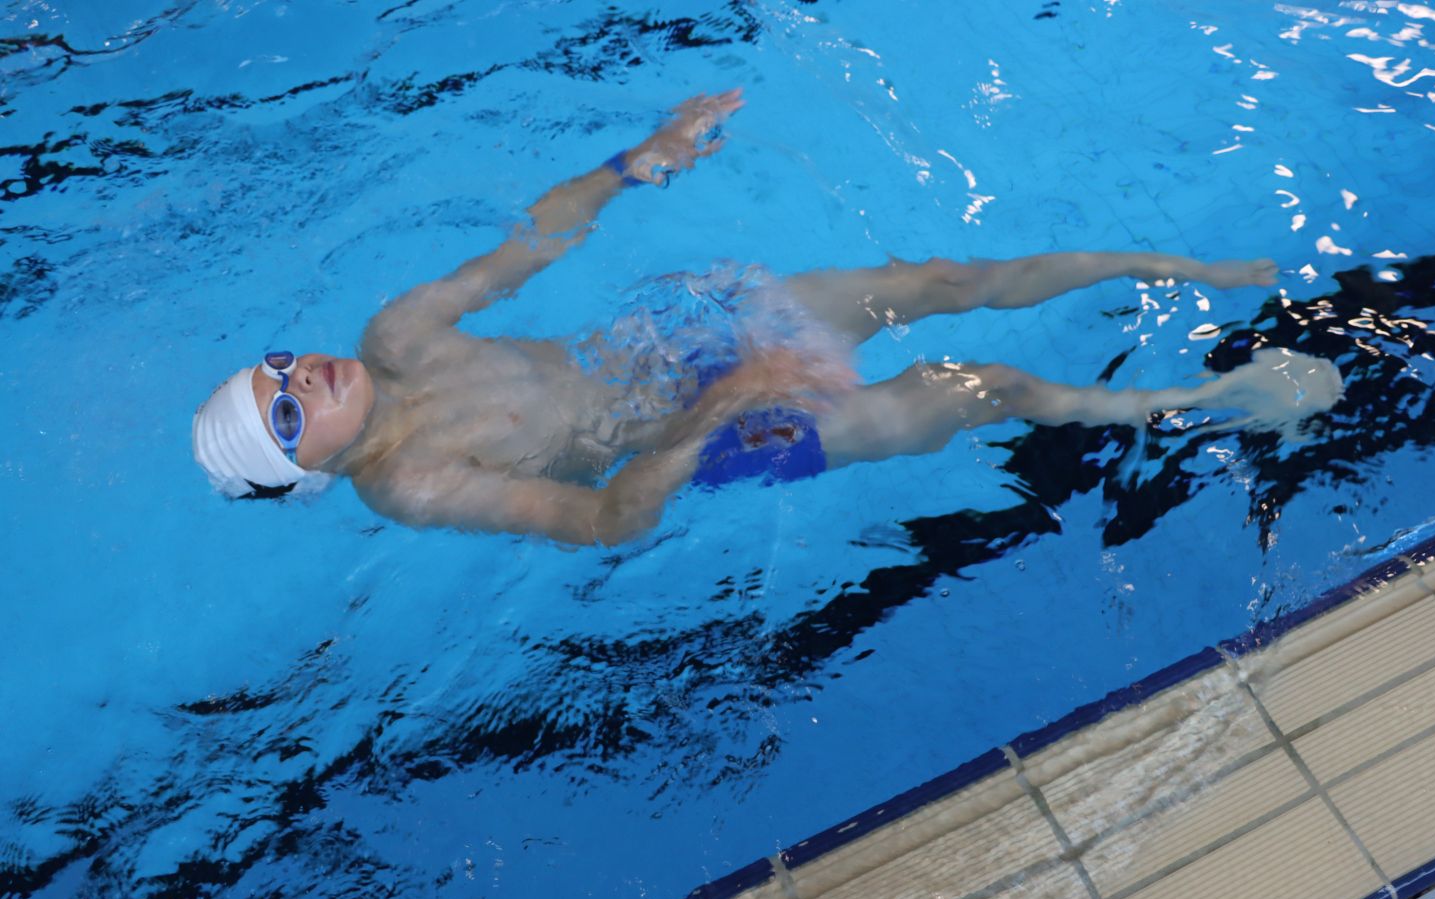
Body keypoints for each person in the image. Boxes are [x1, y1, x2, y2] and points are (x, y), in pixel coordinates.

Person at [192, 88, 1341, 546]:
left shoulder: (398, 336)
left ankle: (1182, 264)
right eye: (286, 414)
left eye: (276, 368)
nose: (301, 378)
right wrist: (718, 417)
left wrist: (635, 162)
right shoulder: (414, 483)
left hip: (672, 344)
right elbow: (603, 521)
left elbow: (534, 242)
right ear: (309, 472)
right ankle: (1205, 400)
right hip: (703, 438)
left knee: (938, 281)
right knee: (976, 389)